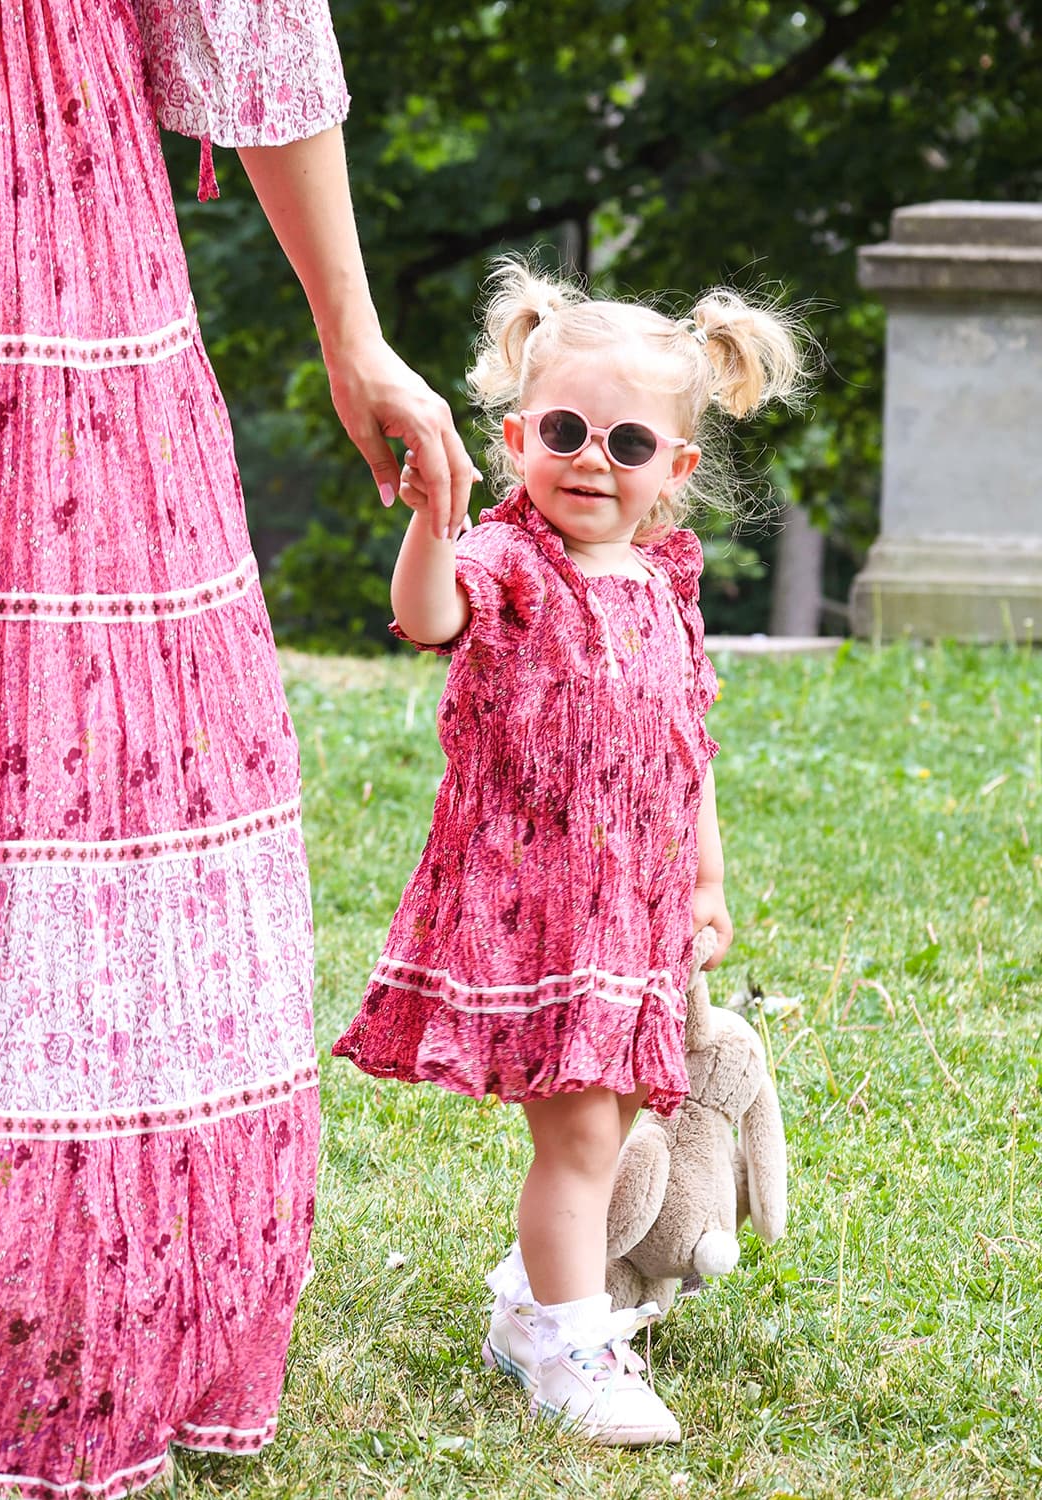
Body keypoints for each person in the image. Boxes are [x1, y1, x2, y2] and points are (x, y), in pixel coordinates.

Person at [0, 1, 472, 1494]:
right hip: (19, 217)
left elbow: (243, 23)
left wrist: (355, 329)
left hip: (40, 218)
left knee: (47, 729)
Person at [333, 256, 807, 1444]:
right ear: (514, 440)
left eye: (629, 443)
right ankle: (560, 1343)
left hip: (632, 909)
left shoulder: (662, 584)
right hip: (533, 899)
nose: (593, 458)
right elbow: (431, 617)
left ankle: (538, 1300)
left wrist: (703, 876)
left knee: (606, 1121)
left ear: (676, 470)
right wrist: (434, 524)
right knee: (586, 1130)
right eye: (565, 430)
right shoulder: (507, 564)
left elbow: (682, 743)